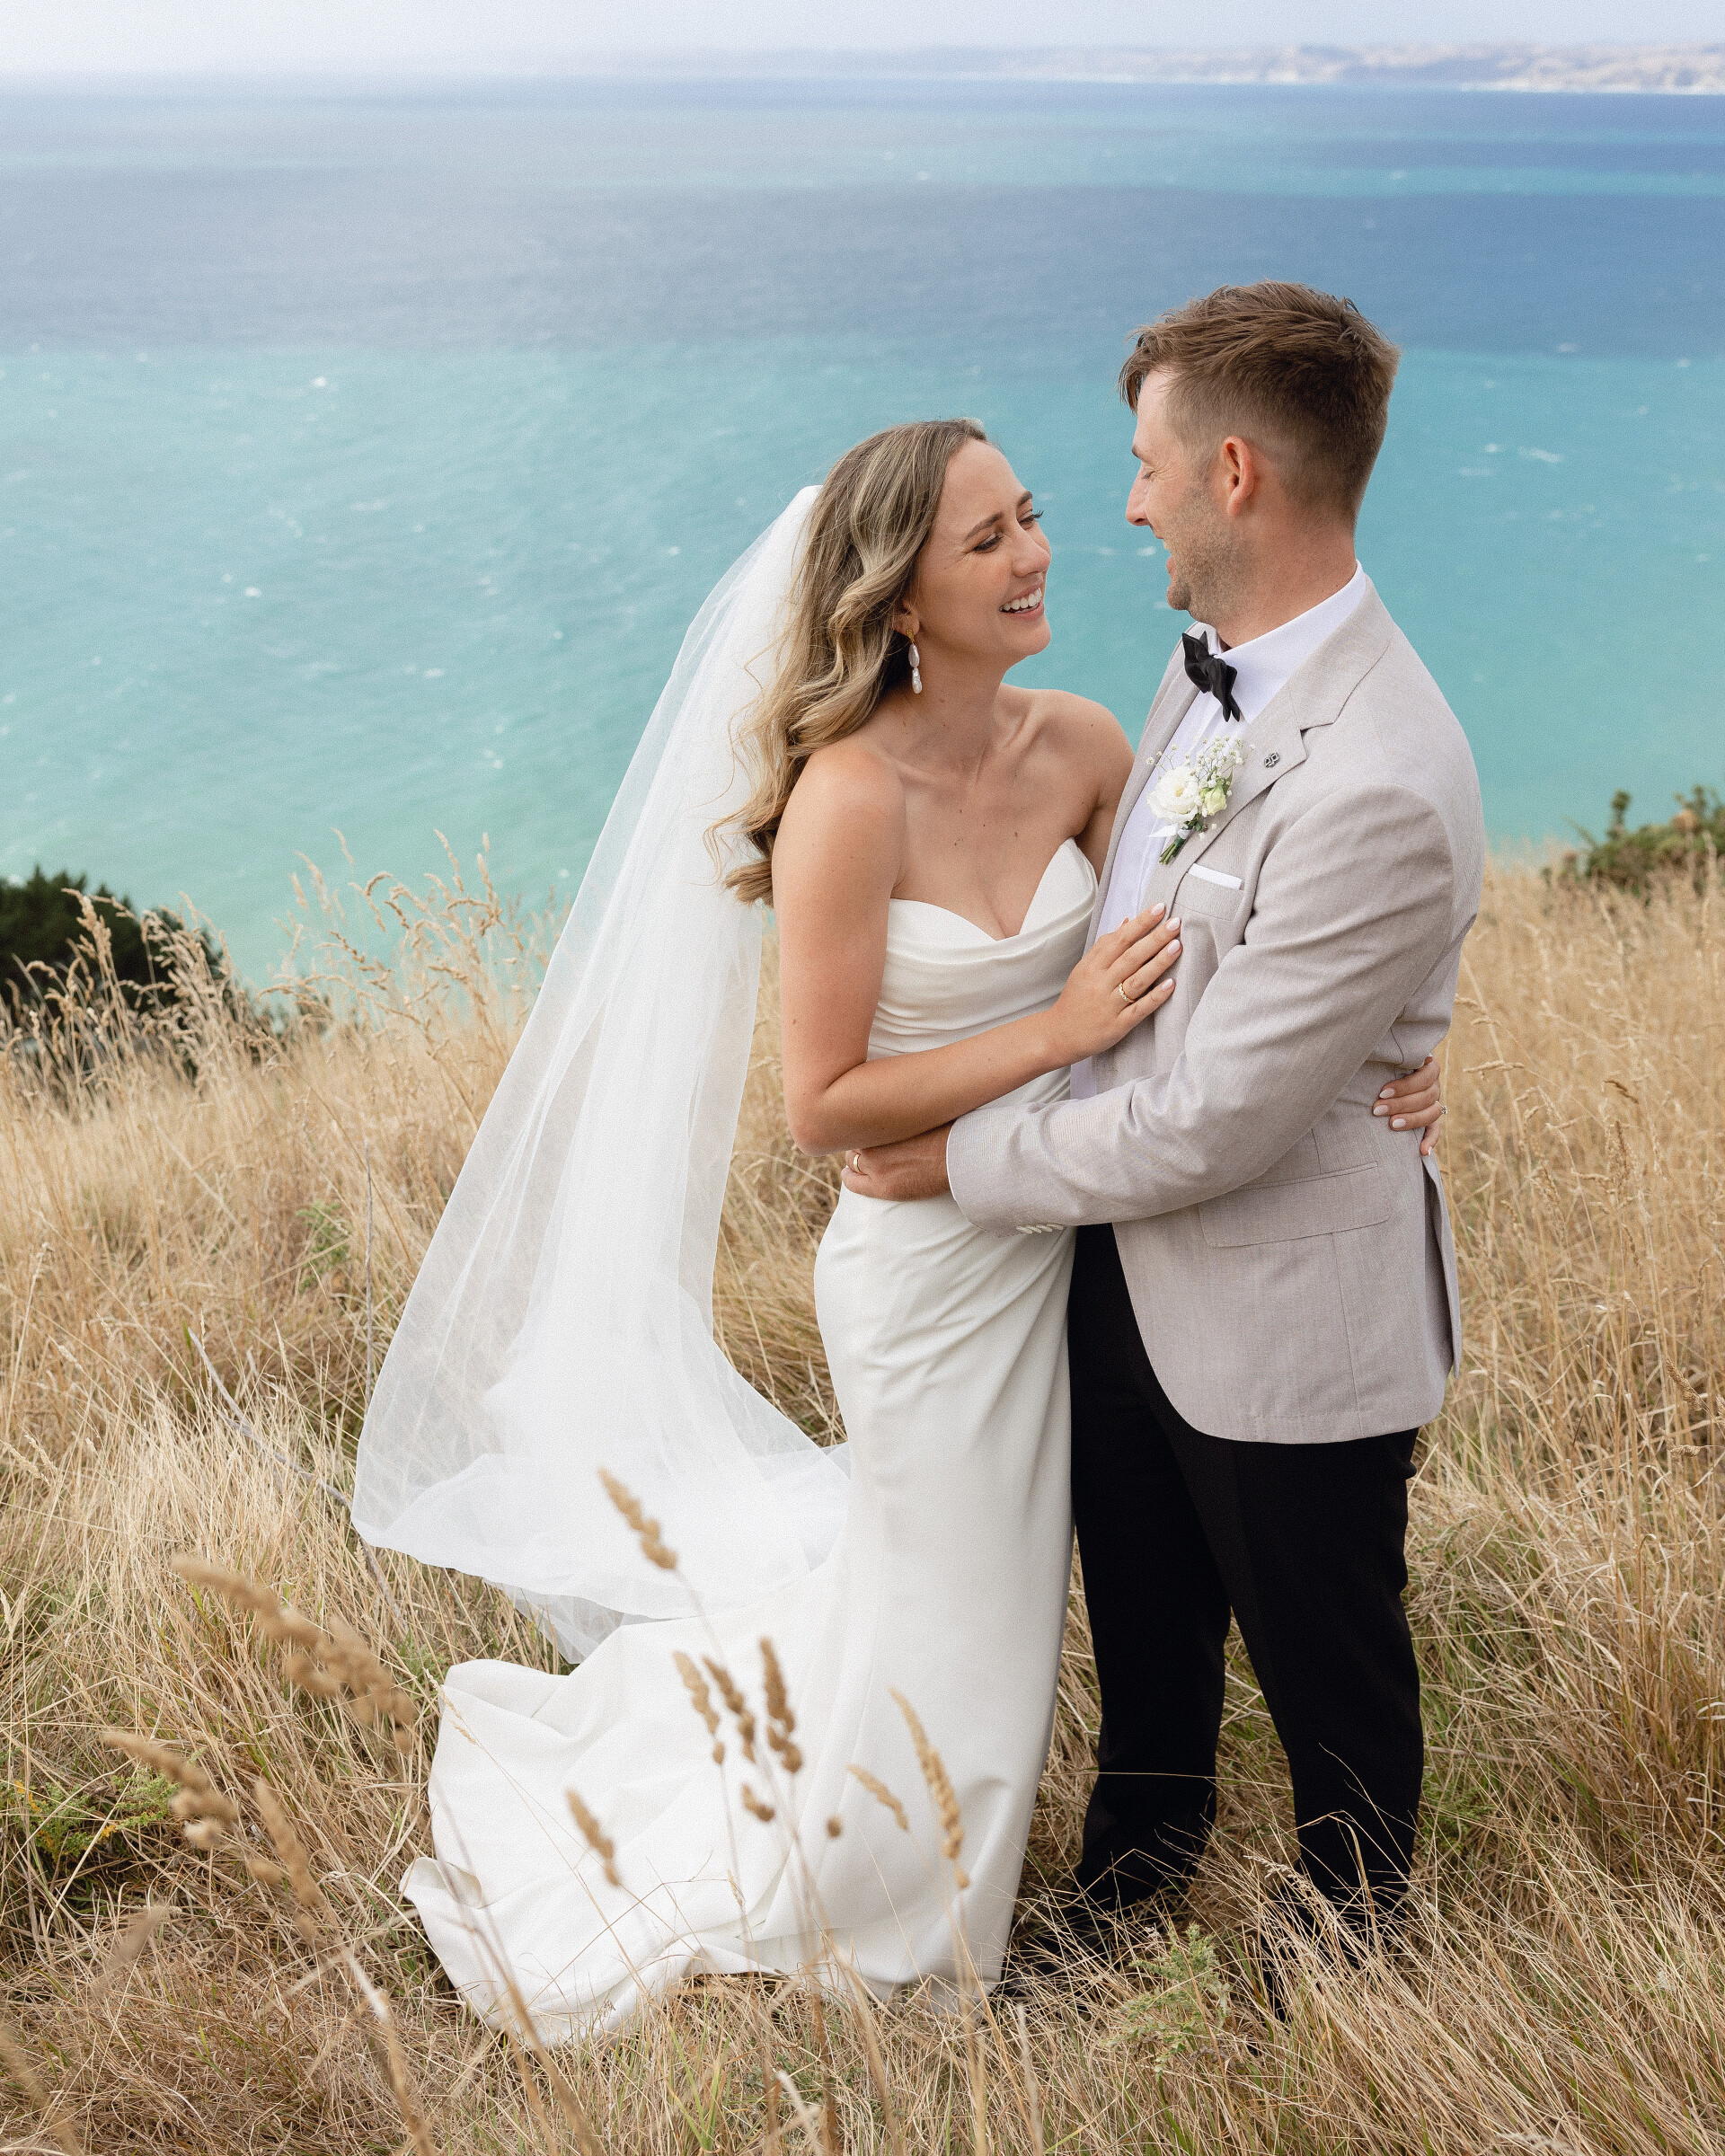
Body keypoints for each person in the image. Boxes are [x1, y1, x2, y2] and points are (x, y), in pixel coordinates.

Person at [358, 388, 1444, 2040]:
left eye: (1032, 517)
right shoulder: (848, 800)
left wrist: (1395, 1055)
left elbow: (1243, 935)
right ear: (897, 600)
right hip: (927, 1270)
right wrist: (1055, 1034)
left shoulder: (1091, 743)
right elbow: (827, 1107)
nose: (1037, 552)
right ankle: (891, 1908)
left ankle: (1122, 1854)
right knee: (959, 1611)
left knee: (1074, 1588)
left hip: (1082, 1245)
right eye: (987, 538)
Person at [845, 283, 1486, 1951]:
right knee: (1144, 1614)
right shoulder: (1210, 673)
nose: (1125, 506)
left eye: (1144, 467)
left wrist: (958, 1161)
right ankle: (1131, 1880)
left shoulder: (1378, 772)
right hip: (1116, 1262)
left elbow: (1215, 1125)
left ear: (1234, 475)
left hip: (1280, 1294)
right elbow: (1177, 946)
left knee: (1326, 1653)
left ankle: (1354, 1934)